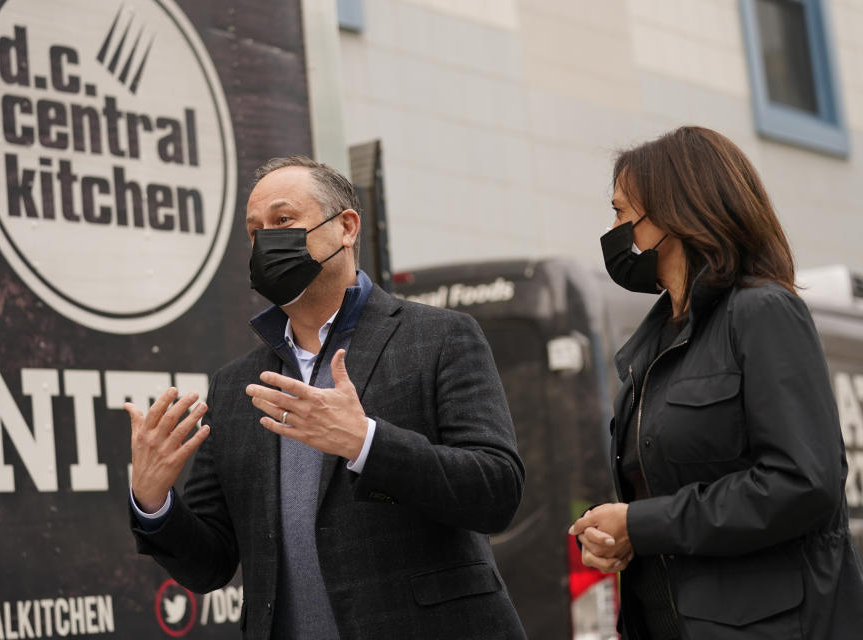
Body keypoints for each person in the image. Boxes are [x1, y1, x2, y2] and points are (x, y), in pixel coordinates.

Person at [125, 156, 527, 639]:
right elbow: (210, 565)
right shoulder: (237, 386)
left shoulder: (442, 337)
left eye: (283, 220)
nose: (266, 241)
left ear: (346, 227)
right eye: (255, 232)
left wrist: (367, 444)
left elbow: (497, 492)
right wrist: (153, 502)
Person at [569, 126, 863, 639]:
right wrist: (617, 529)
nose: (614, 232)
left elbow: (803, 482)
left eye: (621, 213)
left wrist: (642, 524)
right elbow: (671, 486)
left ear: (676, 214)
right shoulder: (653, 344)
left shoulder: (762, 311)